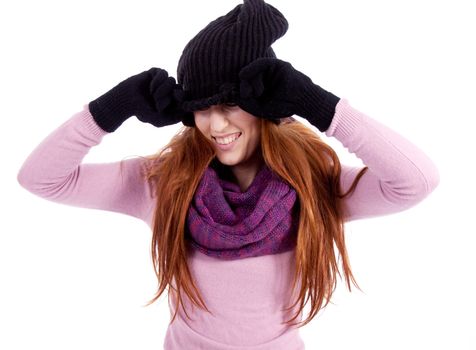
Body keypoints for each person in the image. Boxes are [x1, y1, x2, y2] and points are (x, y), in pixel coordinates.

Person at [16, 0, 440, 349]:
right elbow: (41, 179)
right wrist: (114, 106)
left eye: (229, 105)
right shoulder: (165, 183)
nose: (216, 126)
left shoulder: (314, 186)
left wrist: (321, 106)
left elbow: (416, 181)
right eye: (201, 108)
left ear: (267, 103)